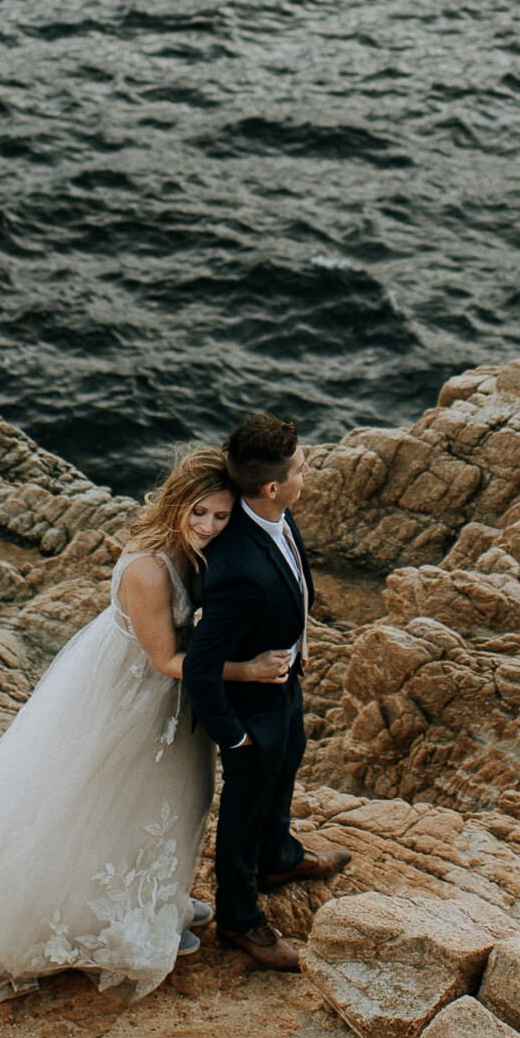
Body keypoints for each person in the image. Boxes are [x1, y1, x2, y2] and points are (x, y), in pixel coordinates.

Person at [0, 448, 291, 1008]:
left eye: (221, 516)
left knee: (175, 798)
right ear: (177, 504)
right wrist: (250, 669)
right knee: (111, 802)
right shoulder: (148, 569)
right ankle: (83, 915)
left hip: (171, 704)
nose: (209, 526)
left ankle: (149, 897)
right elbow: (167, 661)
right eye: (199, 513)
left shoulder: (199, 550)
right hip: (132, 699)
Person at [182, 412, 351, 972]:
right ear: (274, 485)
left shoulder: (277, 513)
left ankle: (278, 856)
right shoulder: (236, 569)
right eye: (302, 466)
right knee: (245, 805)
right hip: (248, 710)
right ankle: (237, 916)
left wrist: (299, 639)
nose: (308, 472)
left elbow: (296, 579)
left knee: (289, 763)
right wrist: (234, 737)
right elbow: (202, 666)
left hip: (284, 681)